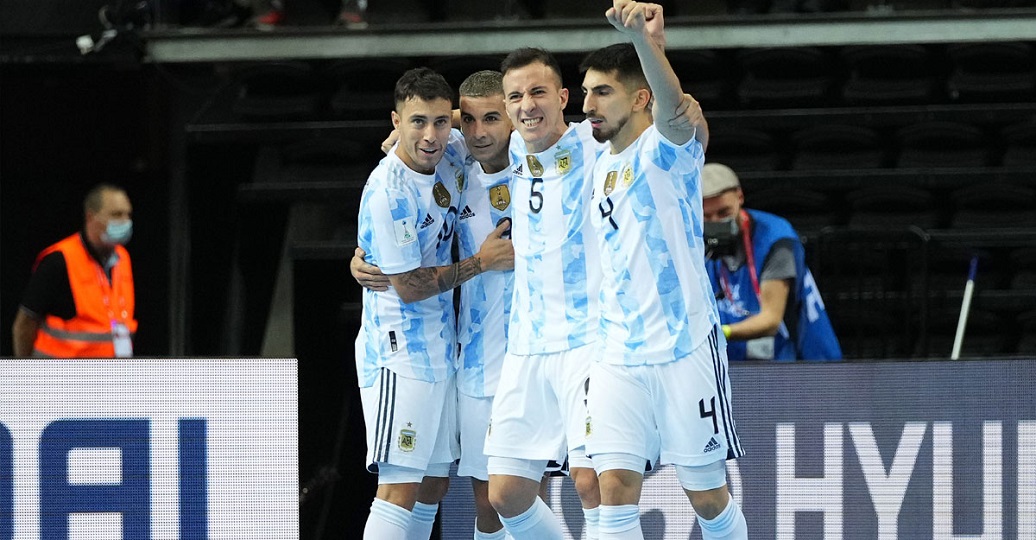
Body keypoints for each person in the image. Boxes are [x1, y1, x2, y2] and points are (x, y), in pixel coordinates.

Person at [579, 3, 749, 539]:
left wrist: (645, 43)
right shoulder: (598, 158)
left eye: (601, 92)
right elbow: (526, 124)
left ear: (638, 99)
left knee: (707, 498)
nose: (587, 105)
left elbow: (673, 108)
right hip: (616, 352)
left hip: (682, 346)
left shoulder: (667, 151)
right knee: (612, 490)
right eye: (585, 92)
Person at [354, 66, 513, 540]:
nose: (430, 135)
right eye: (417, 122)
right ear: (396, 121)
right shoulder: (389, 192)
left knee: (433, 483)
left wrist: (452, 120)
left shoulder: (452, 152)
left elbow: (487, 122)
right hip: (398, 351)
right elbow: (408, 286)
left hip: (441, 348)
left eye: (441, 122)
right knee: (399, 485)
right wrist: (481, 263)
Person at [701, 162, 842, 361]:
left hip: (803, 360)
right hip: (738, 358)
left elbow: (770, 320)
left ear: (740, 197)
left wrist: (719, 333)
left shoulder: (776, 240)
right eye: (707, 216)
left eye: (724, 213)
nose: (716, 223)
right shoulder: (695, 236)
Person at [11, 184, 137, 359]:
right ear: (90, 217)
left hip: (110, 372)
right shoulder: (59, 260)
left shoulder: (123, 258)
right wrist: (25, 371)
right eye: (116, 214)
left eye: (128, 214)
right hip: (62, 373)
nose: (125, 221)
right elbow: (24, 325)